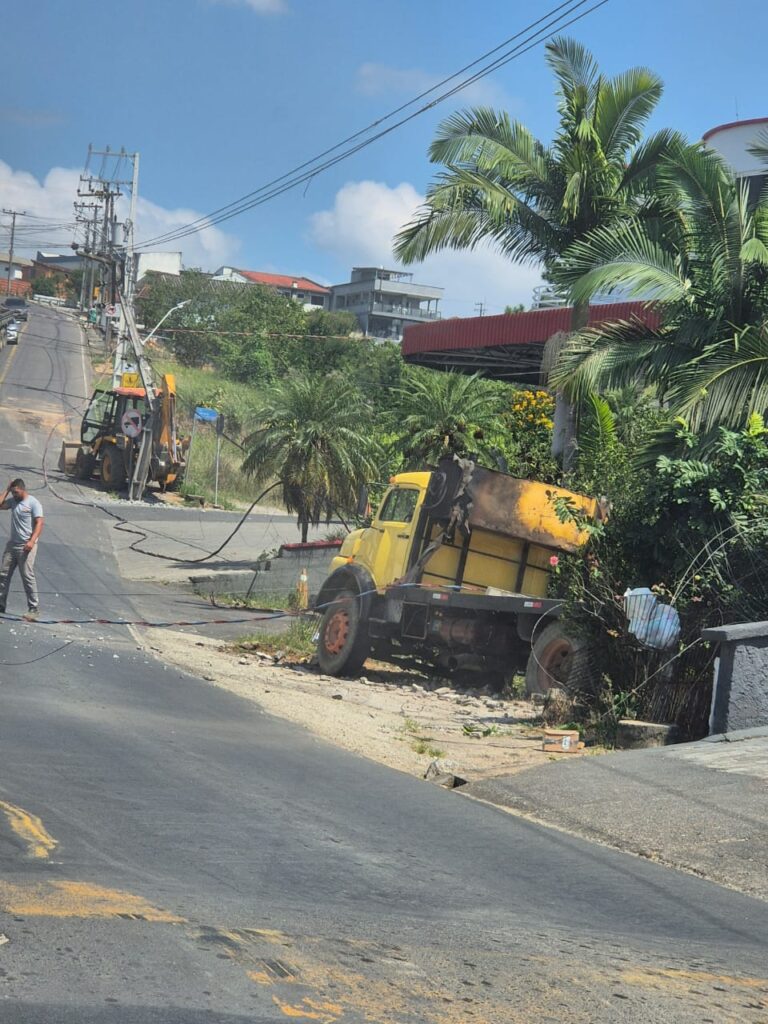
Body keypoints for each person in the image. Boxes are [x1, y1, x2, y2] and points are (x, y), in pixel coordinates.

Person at [0, 478, 44, 621]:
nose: (14, 495)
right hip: (12, 545)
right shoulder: (13, 501)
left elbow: (39, 523)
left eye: (16, 492)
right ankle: (1, 604)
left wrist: (32, 541)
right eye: (12, 492)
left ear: (22, 489)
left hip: (26, 546)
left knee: (27, 576)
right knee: (3, 575)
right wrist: (6, 489)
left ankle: (33, 608)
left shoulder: (33, 503)